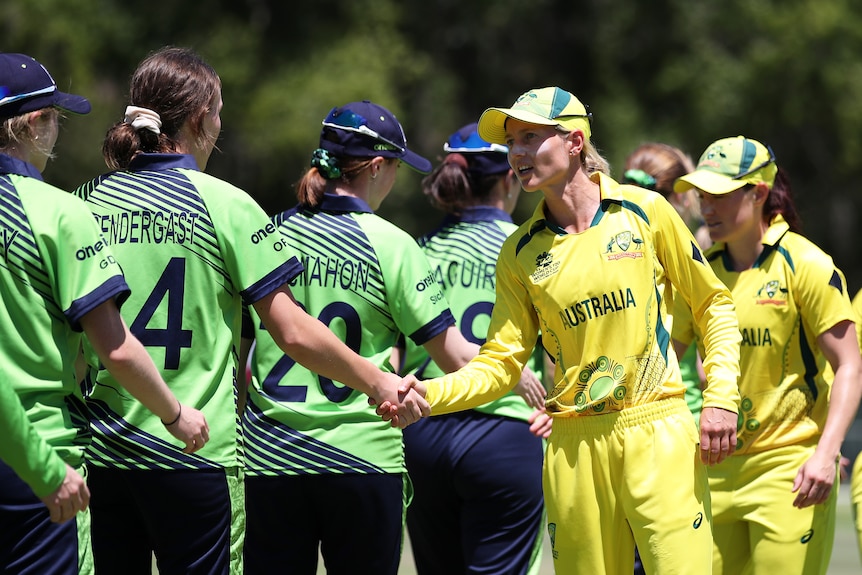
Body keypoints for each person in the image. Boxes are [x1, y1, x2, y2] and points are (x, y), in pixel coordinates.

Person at [73, 49, 426, 575]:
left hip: (102, 450)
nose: (220, 126)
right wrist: (377, 380)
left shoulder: (83, 201)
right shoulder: (227, 205)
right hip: (195, 450)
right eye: (218, 114)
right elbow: (291, 330)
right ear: (199, 120)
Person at [382, 86, 743, 575]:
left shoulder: (644, 212)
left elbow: (713, 304)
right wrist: (429, 392)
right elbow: (499, 363)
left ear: (575, 142)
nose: (518, 153)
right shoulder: (519, 252)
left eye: (531, 137)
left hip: (656, 430)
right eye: (512, 142)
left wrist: (722, 396)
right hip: (572, 447)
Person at [240, 103, 544, 575]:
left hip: (271, 453)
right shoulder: (393, 243)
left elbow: (248, 352)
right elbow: (450, 355)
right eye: (398, 168)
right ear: (378, 167)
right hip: (362, 452)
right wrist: (513, 373)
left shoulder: (268, 233)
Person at [0, 52, 208, 575]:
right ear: (34, 124)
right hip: (39, 451)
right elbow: (114, 347)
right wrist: (175, 415)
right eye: (54, 119)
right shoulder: (56, 211)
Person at [672, 135, 862, 575]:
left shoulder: (806, 264)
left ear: (758, 193)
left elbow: (850, 365)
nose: (706, 208)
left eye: (717, 195)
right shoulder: (700, 271)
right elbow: (661, 359)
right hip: (712, 470)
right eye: (702, 196)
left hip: (790, 469)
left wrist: (825, 452)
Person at [397, 122, 550, 575]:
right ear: (508, 178)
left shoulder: (419, 249)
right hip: (505, 434)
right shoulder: (532, 248)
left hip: (425, 428)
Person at [622, 142, 711, 575]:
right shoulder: (696, 250)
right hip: (683, 427)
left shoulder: (613, 242)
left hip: (614, 426)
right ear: (680, 196)